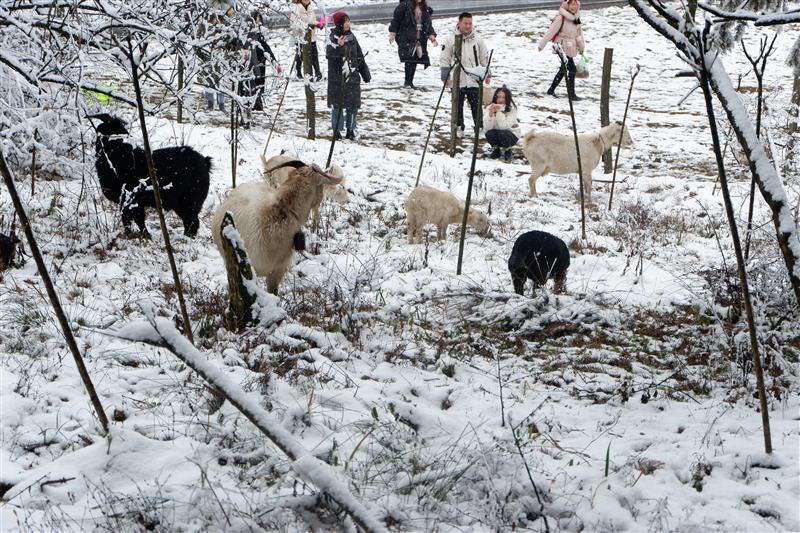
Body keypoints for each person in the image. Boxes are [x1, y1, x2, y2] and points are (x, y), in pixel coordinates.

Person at [440, 12, 489, 138]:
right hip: (458, 79)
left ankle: (479, 127)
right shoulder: (450, 39)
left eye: (470, 23)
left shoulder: (478, 39)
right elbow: (445, 58)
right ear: (459, 23)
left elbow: (484, 57)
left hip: (474, 79)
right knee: (457, 105)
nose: (468, 26)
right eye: (465, 23)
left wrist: (487, 73)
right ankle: (459, 127)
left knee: (476, 105)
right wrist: (445, 76)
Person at [326, 12, 371, 140]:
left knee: (353, 105)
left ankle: (350, 130)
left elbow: (359, 56)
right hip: (337, 79)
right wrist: (339, 47)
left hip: (352, 77)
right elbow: (329, 55)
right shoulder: (332, 37)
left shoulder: (351, 37)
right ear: (339, 24)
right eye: (344, 21)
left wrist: (365, 73)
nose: (347, 24)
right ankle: (337, 131)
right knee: (337, 106)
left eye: (348, 21)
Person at [538, 0, 585, 100]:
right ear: (567, 5)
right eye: (571, 4)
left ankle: (551, 90)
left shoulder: (576, 18)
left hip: (571, 46)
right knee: (572, 68)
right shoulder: (561, 18)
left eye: (575, 5)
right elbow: (550, 32)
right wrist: (541, 45)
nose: (573, 7)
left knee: (563, 69)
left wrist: (581, 47)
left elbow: (579, 35)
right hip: (561, 46)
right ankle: (571, 94)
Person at [388, 0, 438, 89]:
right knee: (409, 59)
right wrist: (392, 33)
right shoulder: (404, 6)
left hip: (419, 38)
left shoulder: (424, 9)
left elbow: (428, 25)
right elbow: (396, 20)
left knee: (414, 59)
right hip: (407, 37)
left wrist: (431, 36)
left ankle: (410, 81)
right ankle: (408, 82)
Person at [484, 86, 520, 161]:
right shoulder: (490, 107)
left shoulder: (512, 109)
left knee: (503, 133)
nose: (500, 100)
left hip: (511, 134)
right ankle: (496, 150)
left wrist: (499, 112)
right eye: (498, 97)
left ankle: (508, 150)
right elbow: (487, 128)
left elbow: (504, 126)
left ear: (507, 98)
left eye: (503, 97)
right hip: (497, 134)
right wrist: (490, 115)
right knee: (489, 133)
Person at [293, 0, 323, 81]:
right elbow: (294, 24)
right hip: (301, 37)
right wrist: (307, 26)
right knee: (300, 56)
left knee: (314, 54)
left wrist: (318, 24)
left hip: (311, 37)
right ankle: (298, 73)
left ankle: (318, 73)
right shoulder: (296, 8)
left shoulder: (310, 7)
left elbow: (312, 20)